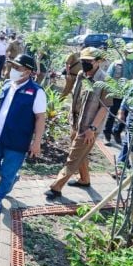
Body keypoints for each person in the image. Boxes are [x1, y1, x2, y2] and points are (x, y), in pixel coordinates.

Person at [46, 47, 111, 199]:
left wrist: (92, 128)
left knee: (73, 157)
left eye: (88, 61)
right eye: (83, 60)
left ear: (97, 62)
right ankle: (85, 179)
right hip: (76, 123)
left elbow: (105, 107)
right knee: (81, 154)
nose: (84, 63)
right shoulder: (82, 74)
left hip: (88, 128)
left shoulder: (105, 81)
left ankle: (56, 186)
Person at [0, 54, 46, 214]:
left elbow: (40, 118)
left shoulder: (36, 92)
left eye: (17, 67)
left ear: (27, 71)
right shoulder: (7, 84)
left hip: (17, 142)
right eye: (12, 66)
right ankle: (11, 177)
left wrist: (36, 142)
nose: (12, 70)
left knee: (7, 172)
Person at [102, 44, 133, 144]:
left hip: (129, 95)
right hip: (116, 94)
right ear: (124, 52)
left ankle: (117, 131)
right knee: (112, 114)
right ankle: (107, 134)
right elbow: (108, 77)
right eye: (129, 52)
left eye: (132, 52)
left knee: (126, 116)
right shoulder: (116, 63)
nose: (131, 54)